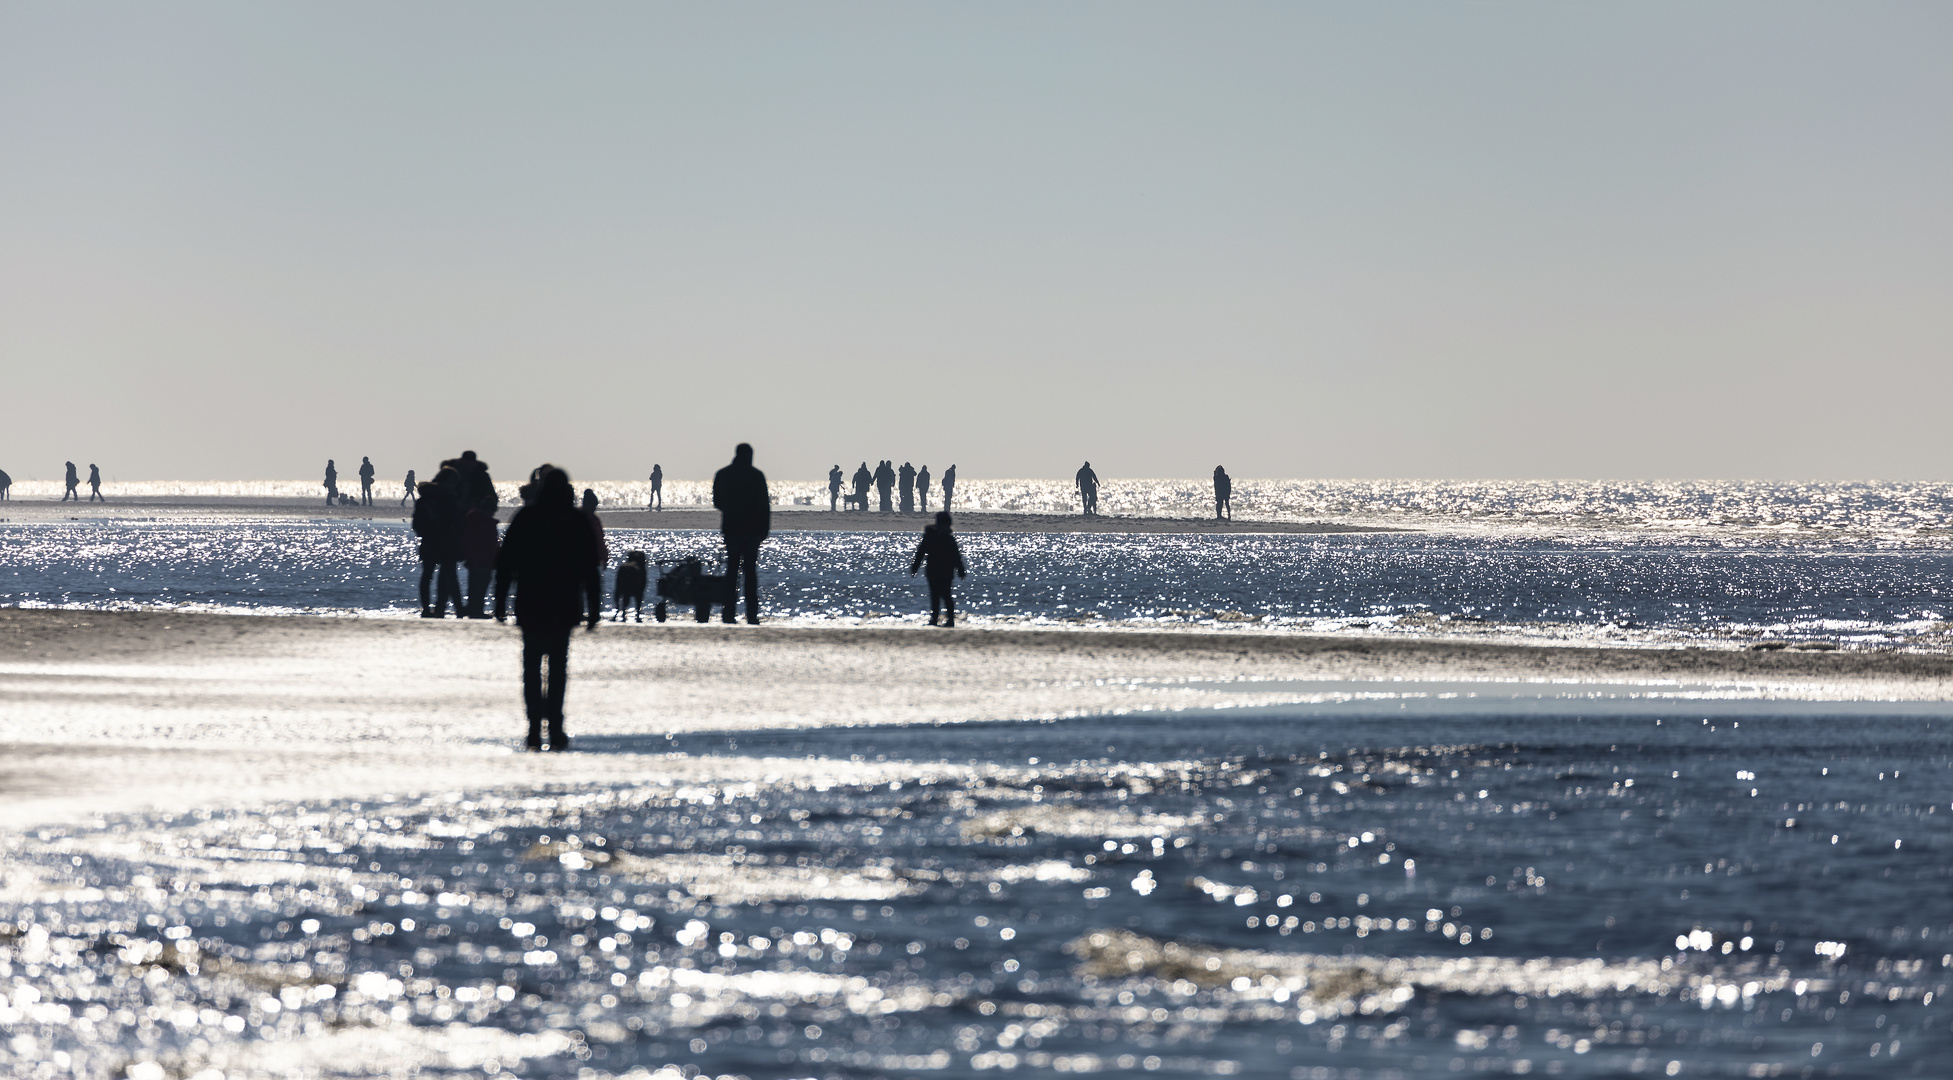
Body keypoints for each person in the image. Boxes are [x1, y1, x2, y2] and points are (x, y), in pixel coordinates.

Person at [494, 465, 601, 752]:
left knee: (531, 665)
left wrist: (500, 601)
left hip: (532, 601)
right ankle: (554, 724)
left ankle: (533, 725)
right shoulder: (576, 520)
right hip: (564, 603)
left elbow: (506, 564)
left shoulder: (527, 517)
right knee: (557, 666)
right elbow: (590, 569)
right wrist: (594, 608)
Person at [711, 443, 770, 625]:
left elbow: (718, 501)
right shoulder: (756, 476)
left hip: (733, 530)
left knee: (732, 572)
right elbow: (763, 505)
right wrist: (764, 530)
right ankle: (751, 615)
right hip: (751, 532)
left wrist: (732, 509)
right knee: (750, 573)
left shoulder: (723, 474)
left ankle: (728, 613)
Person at [412, 468, 464, 617]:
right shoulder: (449, 499)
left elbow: (417, 524)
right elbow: (457, 522)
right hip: (447, 541)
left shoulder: (424, 499)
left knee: (427, 575)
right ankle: (448, 608)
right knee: (449, 577)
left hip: (429, 541)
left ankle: (427, 609)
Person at [910, 512, 969, 627]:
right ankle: (934, 618)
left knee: (946, 595)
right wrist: (914, 568)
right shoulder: (930, 537)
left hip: (946, 572)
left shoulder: (948, 539)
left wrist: (961, 570)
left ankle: (950, 619)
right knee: (935, 595)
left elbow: (956, 557)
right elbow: (920, 553)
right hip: (933, 571)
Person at [460, 494, 500, 619]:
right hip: (485, 559)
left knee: (474, 585)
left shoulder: (471, 519)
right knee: (481, 586)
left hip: (475, 558)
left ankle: (473, 608)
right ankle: (476, 609)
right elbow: (491, 543)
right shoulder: (487, 523)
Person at [614, 551, 648, 622]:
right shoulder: (641, 569)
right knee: (639, 594)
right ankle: (637, 615)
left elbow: (618, 589)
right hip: (636, 577)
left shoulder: (623, 567)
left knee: (620, 591)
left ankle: (619, 612)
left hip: (623, 573)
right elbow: (642, 590)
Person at [581, 488, 609, 568]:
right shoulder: (589, 520)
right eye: (593, 507)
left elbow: (600, 539)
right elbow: (599, 539)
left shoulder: (595, 520)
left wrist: (604, 558)